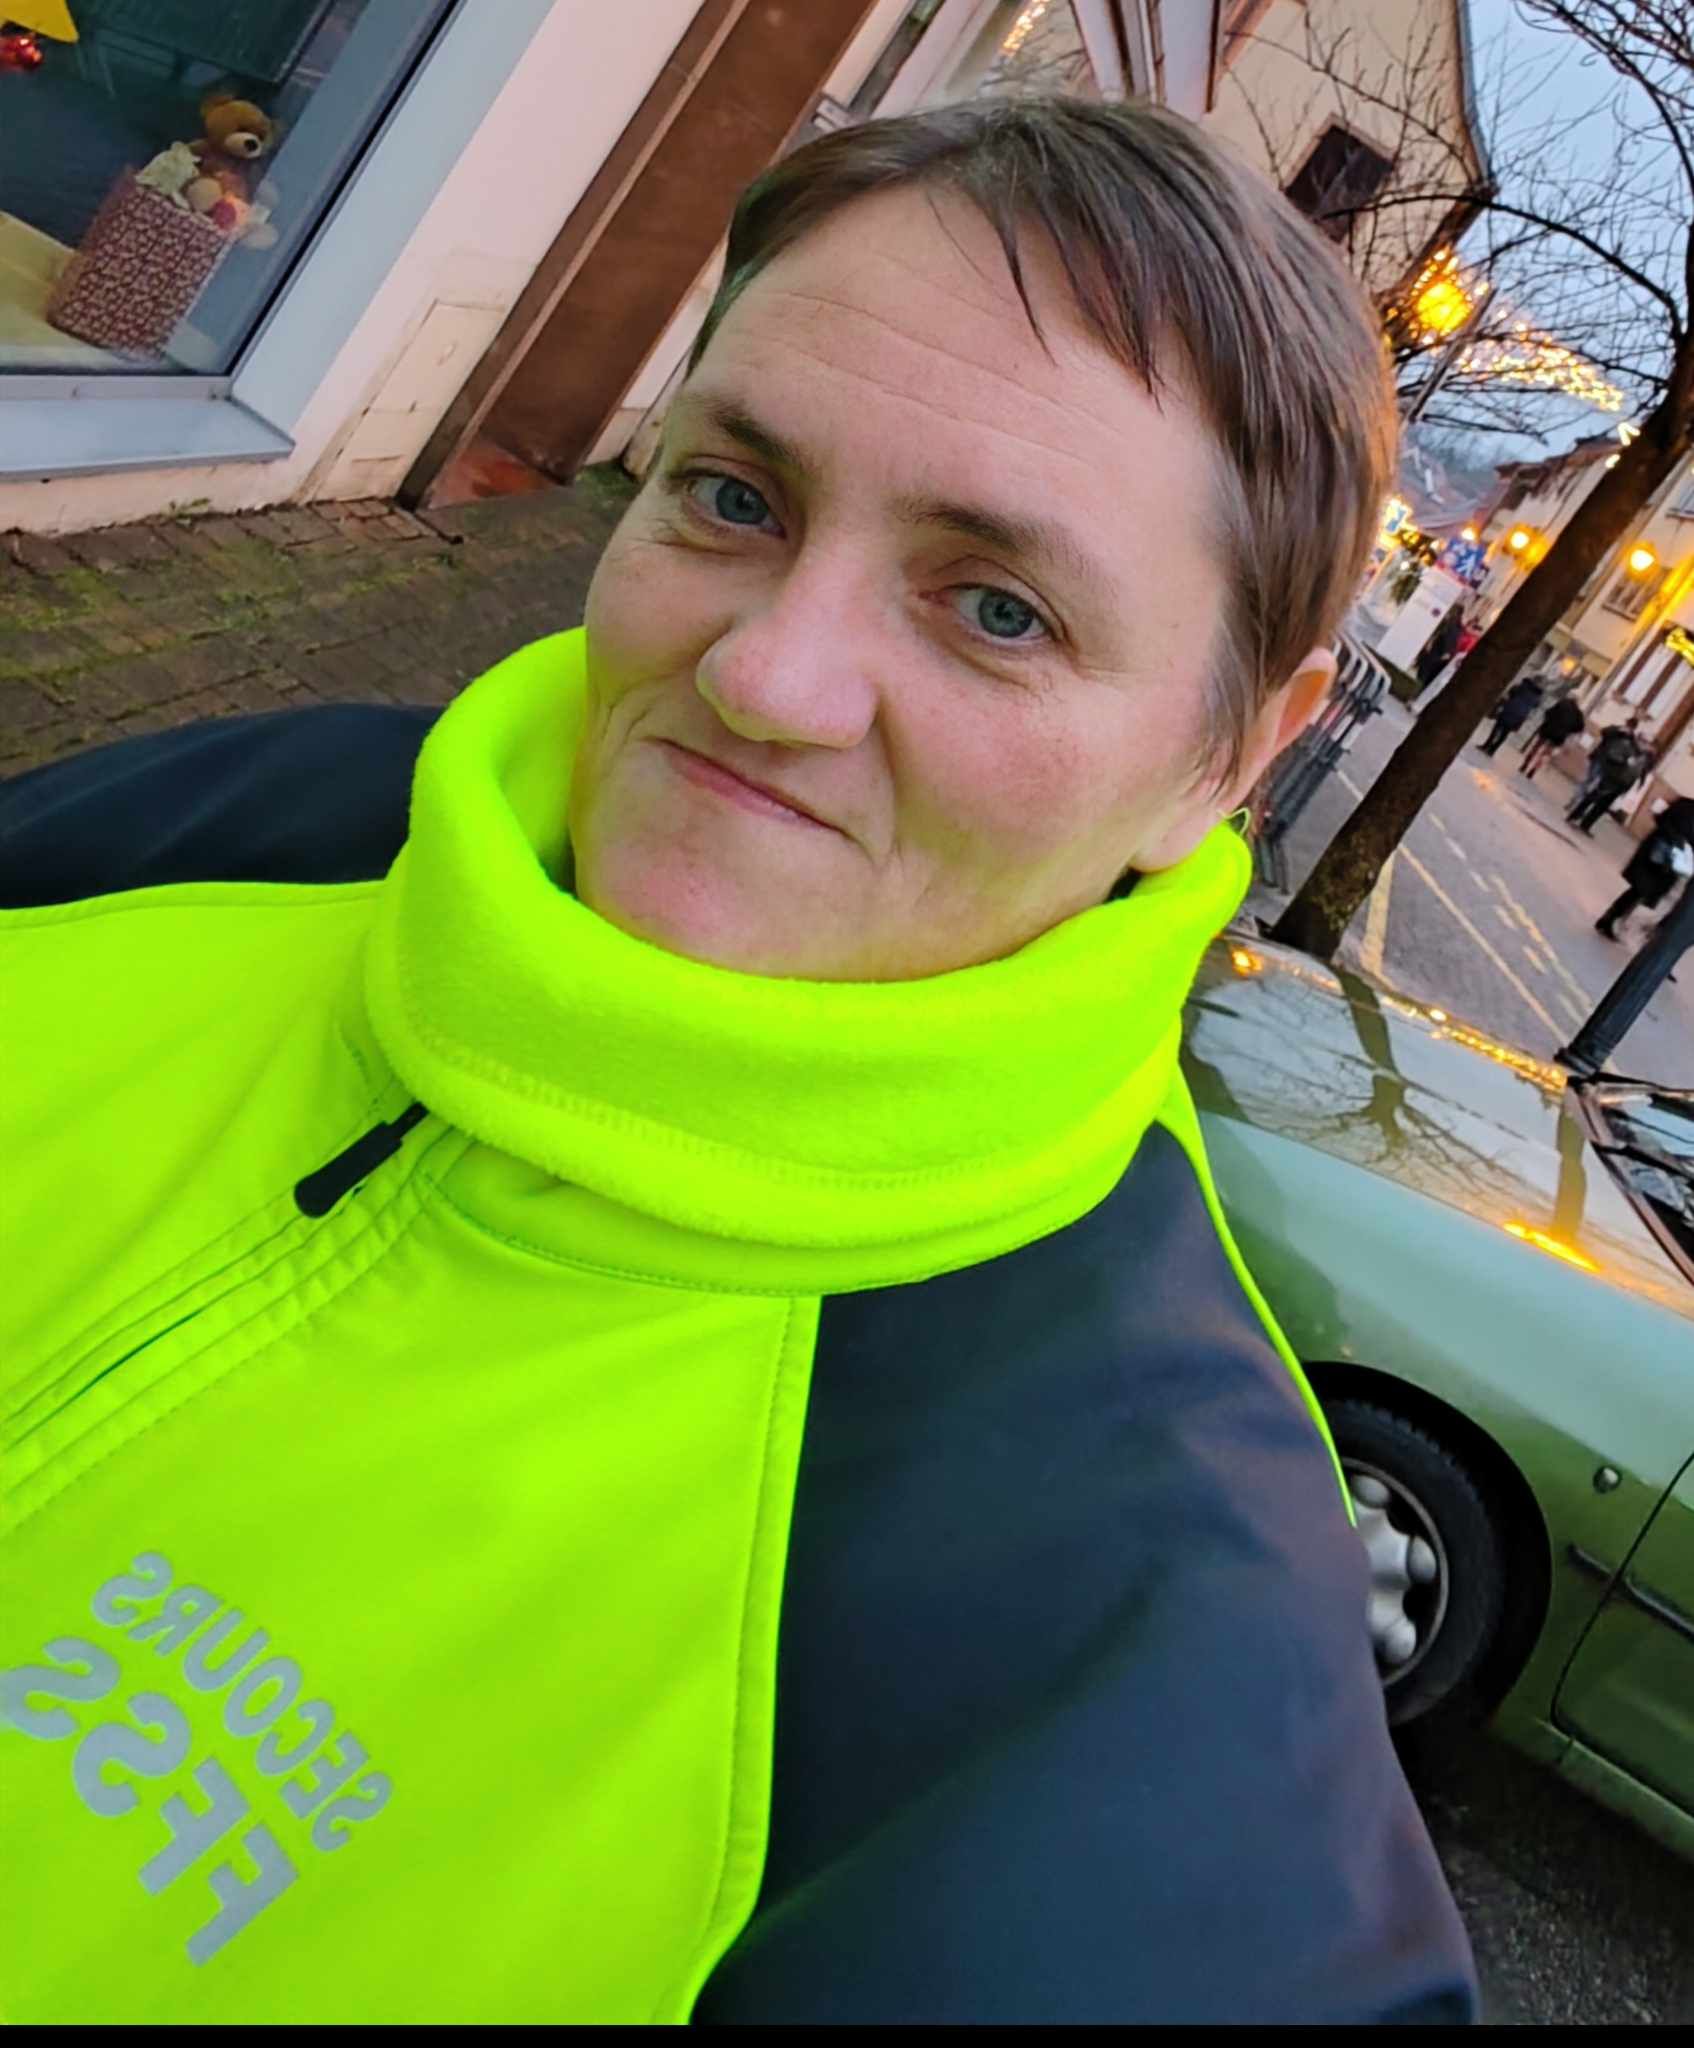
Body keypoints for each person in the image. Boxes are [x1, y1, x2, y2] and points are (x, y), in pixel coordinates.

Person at [0, 100, 1475, 2025]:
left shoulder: (1135, 1682)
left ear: (1227, 756)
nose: (763, 677)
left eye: (997, 609)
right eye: (733, 498)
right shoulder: (255, 818)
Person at [1595, 796, 1694, 940]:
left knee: (1640, 893)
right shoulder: (1685, 806)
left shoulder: (1683, 804)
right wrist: (1679, 842)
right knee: (1639, 891)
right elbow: (1663, 821)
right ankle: (1610, 920)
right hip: (1658, 856)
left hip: (1666, 861)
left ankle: (1612, 919)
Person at [1567, 716, 1651, 833]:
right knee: (1592, 797)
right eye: (1643, 741)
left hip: (1621, 785)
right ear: (1638, 739)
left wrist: (1632, 785)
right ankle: (1574, 815)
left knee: (1602, 807)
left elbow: (1640, 771)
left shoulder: (1643, 757)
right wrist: (1624, 761)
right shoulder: (1626, 745)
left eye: (1647, 743)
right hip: (1611, 778)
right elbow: (1612, 755)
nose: (1645, 745)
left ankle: (1586, 825)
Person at [1519, 690, 1585, 779]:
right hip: (1559, 736)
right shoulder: (1578, 714)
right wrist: (1568, 730)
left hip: (1548, 730)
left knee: (1536, 747)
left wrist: (1549, 721)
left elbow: (1549, 712)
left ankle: (1525, 764)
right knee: (1546, 753)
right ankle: (1533, 770)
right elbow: (1580, 727)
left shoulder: (1562, 703)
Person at [1477, 671, 1546, 754]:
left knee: (1497, 727)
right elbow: (1536, 705)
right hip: (1520, 715)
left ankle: (1486, 745)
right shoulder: (1538, 695)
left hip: (1510, 708)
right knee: (1506, 732)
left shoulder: (1524, 685)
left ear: (1534, 678)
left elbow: (1512, 692)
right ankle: (1493, 750)